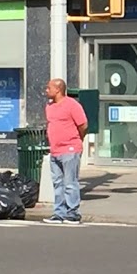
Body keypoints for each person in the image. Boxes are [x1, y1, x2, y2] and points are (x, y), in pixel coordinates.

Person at [42, 78, 88, 224]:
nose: (46, 90)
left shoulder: (72, 105)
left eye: (49, 88)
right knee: (57, 183)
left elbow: (83, 125)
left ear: (58, 89)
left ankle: (73, 213)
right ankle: (59, 213)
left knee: (70, 183)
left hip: (70, 149)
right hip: (55, 150)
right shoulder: (49, 107)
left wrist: (77, 140)